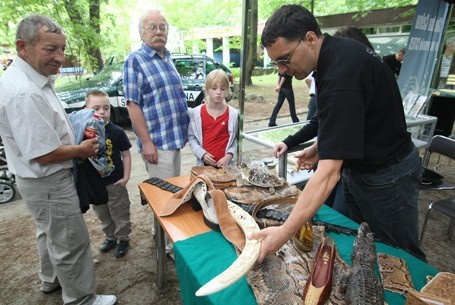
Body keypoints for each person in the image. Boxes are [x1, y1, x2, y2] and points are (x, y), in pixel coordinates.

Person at [251, 4, 426, 263]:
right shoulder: (336, 55)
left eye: (284, 60)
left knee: (402, 256)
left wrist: (284, 232)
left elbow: (328, 174)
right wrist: (321, 146)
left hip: (388, 176)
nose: (282, 70)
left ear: (309, 39)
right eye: (277, 62)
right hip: (364, 170)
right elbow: (355, 117)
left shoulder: (340, 76)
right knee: (363, 246)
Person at [0, 14, 116, 305]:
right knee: (69, 240)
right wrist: (81, 150)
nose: (60, 57)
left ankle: (50, 279)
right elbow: (42, 153)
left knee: (49, 232)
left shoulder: (31, 77)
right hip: (48, 180)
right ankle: (81, 299)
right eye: (50, 49)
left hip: (38, 182)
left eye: (62, 49)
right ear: (22, 46)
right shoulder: (24, 92)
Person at [123, 9, 189, 256]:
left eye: (163, 27)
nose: (159, 31)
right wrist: (146, 142)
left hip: (174, 141)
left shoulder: (167, 57)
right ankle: (169, 247)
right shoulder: (136, 60)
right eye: (152, 27)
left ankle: (160, 233)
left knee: (171, 192)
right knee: (165, 197)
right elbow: (133, 104)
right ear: (142, 32)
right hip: (157, 143)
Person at [85, 90, 132, 259]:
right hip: (96, 185)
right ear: (86, 109)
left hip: (115, 182)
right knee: (102, 212)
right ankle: (110, 237)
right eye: (96, 108)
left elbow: (126, 154)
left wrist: (125, 177)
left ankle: (123, 239)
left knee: (119, 212)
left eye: (106, 108)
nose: (102, 112)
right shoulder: (84, 133)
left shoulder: (117, 131)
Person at [188, 69, 239, 167]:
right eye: (214, 88)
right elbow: (192, 137)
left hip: (226, 166)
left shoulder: (233, 114)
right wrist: (201, 154)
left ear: (228, 90)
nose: (218, 92)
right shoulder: (196, 113)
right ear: (206, 89)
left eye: (223, 89)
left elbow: (236, 140)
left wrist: (229, 155)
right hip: (204, 166)